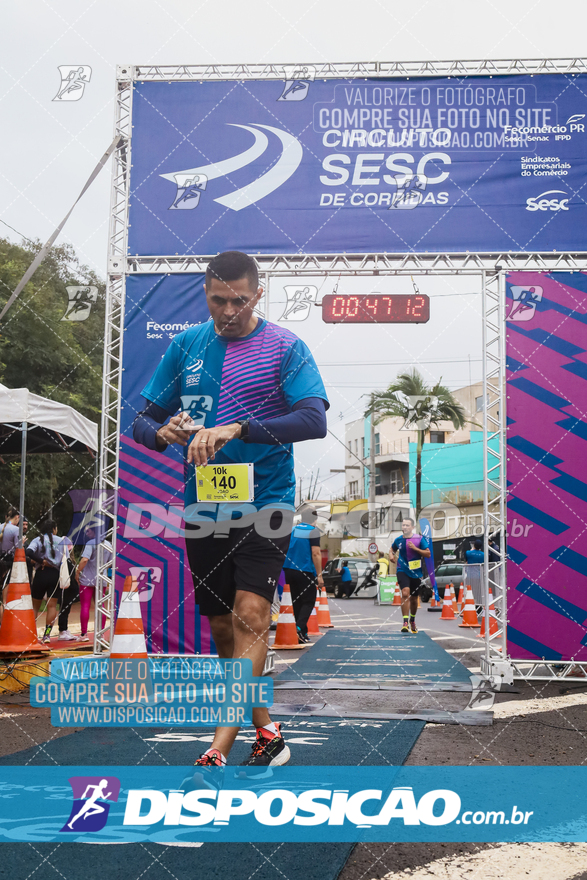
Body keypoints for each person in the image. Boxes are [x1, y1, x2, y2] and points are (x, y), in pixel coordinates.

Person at [133, 250, 328, 768]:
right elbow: (142, 423)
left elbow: (313, 420)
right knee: (223, 627)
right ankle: (267, 731)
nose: (228, 310)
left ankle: (220, 744)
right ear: (205, 293)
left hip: (267, 501)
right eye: (218, 299)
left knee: (252, 615)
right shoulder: (186, 346)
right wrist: (163, 432)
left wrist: (238, 428)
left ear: (257, 295)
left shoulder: (286, 346)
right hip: (206, 505)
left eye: (239, 300)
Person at [27, 520, 75, 643]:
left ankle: (31, 634)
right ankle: (47, 635)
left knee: (34, 607)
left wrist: (41, 561)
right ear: (54, 529)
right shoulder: (62, 541)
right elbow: (66, 560)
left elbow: (28, 552)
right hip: (55, 575)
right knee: (52, 606)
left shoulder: (37, 540)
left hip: (41, 573)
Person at [283, 509, 323, 643]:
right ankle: (298, 628)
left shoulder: (292, 530)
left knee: (296, 600)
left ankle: (302, 633)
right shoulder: (313, 530)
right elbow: (316, 553)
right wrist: (319, 575)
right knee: (309, 600)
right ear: (314, 519)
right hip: (305, 570)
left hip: (288, 570)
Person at [390, 517, 431, 633]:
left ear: (412, 527)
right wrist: (391, 555)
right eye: (403, 525)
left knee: (414, 599)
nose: (405, 527)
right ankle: (405, 622)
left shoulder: (419, 539)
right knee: (405, 592)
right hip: (402, 569)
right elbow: (392, 549)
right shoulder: (398, 540)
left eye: (407, 525)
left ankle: (412, 620)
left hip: (416, 572)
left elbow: (428, 554)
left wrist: (415, 548)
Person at [75, 527, 113, 642]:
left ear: (94, 532)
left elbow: (84, 560)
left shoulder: (90, 543)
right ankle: (101, 633)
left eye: (88, 531)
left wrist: (78, 572)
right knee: (101, 606)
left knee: (85, 605)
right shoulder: (108, 544)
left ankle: (84, 634)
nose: (87, 533)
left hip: (87, 579)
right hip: (102, 579)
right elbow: (110, 562)